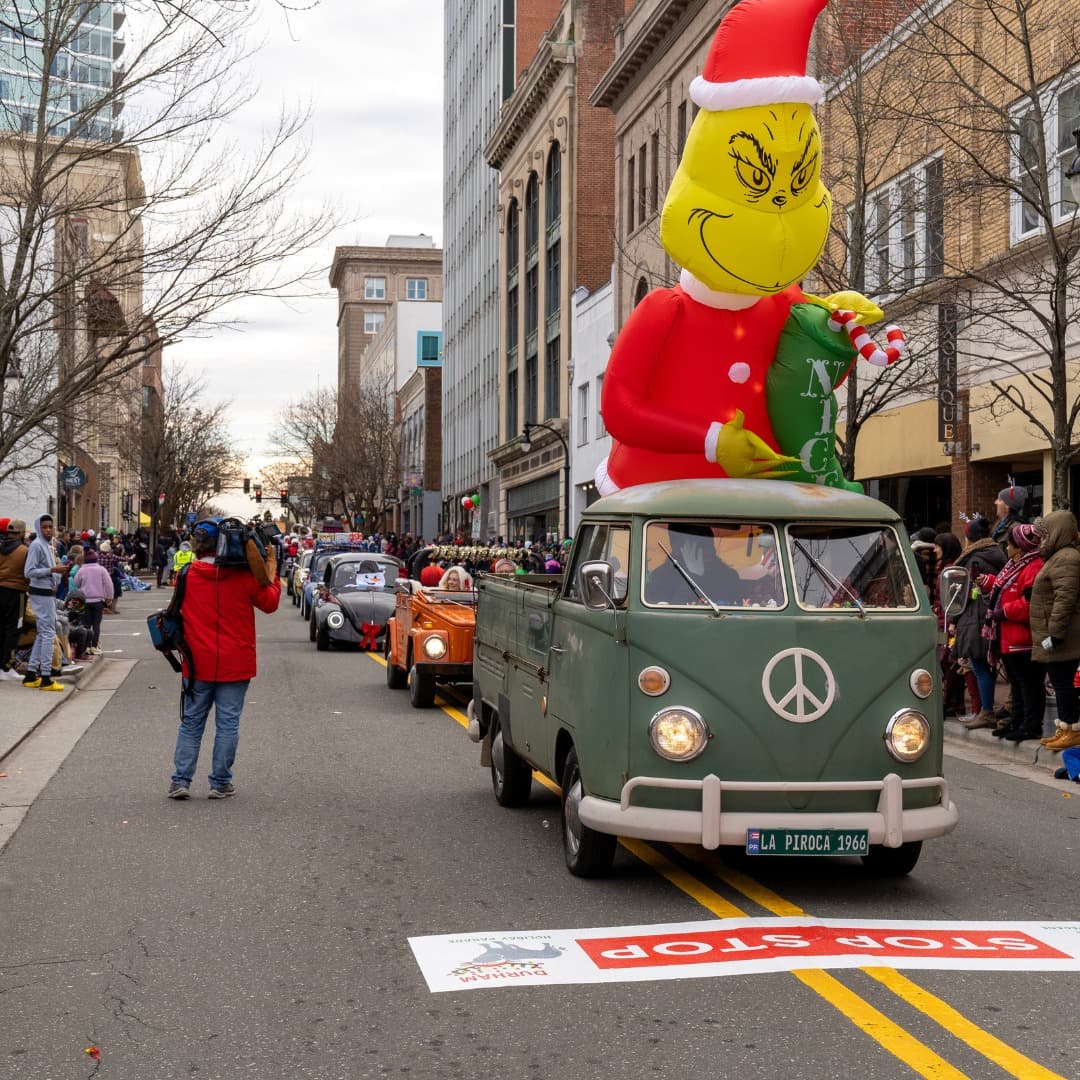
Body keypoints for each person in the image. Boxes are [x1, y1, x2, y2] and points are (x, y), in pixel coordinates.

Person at [167, 518, 280, 800]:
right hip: (236, 661)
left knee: (191, 723)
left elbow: (174, 611)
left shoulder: (186, 575)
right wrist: (271, 572)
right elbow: (270, 604)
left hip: (196, 662)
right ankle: (220, 782)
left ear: (196, 544)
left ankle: (180, 780)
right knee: (228, 723)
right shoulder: (244, 576)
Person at [982, 523, 1045, 742]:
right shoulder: (1014, 565)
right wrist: (990, 583)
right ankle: (1017, 721)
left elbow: (1030, 603)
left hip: (1023, 638)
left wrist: (1005, 611)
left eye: (1009, 544)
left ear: (1019, 547)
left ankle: (1031, 725)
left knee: (1029, 685)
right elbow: (1006, 589)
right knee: (1016, 685)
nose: (1006, 548)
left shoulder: (1033, 567)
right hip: (1009, 636)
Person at [1031, 511, 1080, 751]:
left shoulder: (1068, 558)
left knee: (1063, 682)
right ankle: (1064, 728)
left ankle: (1072, 729)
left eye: (1046, 533)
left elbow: (1065, 598)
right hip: (1057, 633)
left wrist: (1055, 632)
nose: (1042, 538)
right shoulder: (1058, 557)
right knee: (1060, 681)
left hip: (1064, 635)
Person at [952, 516, 1006, 728]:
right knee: (988, 665)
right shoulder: (998, 554)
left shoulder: (973, 559)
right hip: (994, 615)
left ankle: (986, 711)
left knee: (979, 665)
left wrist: (954, 618)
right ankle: (988, 709)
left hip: (975, 618)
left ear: (969, 537)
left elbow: (961, 592)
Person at [21, 513, 68, 690]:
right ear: (39, 528)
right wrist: (53, 570)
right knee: (48, 632)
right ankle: (46, 677)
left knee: (43, 633)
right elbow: (29, 571)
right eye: (45, 527)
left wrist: (55, 574)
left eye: (50, 527)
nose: (48, 530)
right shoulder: (37, 545)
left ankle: (31, 674)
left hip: (46, 592)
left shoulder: (47, 546)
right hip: (41, 593)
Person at [646, 523, 744, 606]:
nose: (706, 552)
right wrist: (694, 577)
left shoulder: (728, 576)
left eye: (707, 545)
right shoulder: (662, 576)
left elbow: (730, 608)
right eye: (697, 547)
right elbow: (671, 612)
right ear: (680, 550)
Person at [0, 518, 29, 678]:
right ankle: (7, 666)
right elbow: (28, 573)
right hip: (16, 592)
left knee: (1, 627)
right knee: (14, 629)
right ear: (22, 533)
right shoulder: (24, 550)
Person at [74, 549, 114, 653]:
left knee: (86, 624)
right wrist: (109, 598)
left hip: (85, 601)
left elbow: (76, 583)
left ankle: (86, 646)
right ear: (96, 559)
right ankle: (94, 646)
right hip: (98, 601)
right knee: (96, 624)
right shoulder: (101, 570)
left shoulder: (81, 570)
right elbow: (109, 584)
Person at [991, 484, 1028, 553]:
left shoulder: (1015, 529)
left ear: (1007, 506)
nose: (995, 502)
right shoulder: (998, 525)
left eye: (999, 500)